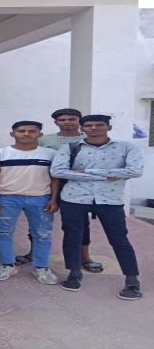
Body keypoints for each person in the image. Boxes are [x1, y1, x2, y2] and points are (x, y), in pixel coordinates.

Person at [50, 114, 143, 300]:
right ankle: (74, 273)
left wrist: (85, 171)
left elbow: (135, 171)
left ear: (108, 127)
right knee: (72, 237)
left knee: (119, 239)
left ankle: (132, 280)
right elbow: (58, 171)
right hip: (74, 198)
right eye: (89, 125)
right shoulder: (70, 148)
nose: (94, 128)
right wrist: (112, 174)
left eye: (99, 125)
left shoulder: (127, 147)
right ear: (82, 128)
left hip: (110, 199)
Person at [0, 121, 59, 285]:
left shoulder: (51, 154)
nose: (26, 134)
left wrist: (53, 199)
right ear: (12, 134)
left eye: (32, 131)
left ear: (40, 134)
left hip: (40, 198)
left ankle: (41, 267)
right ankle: (7, 265)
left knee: (42, 234)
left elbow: (55, 179)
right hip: (6, 198)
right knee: (3, 233)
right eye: (21, 131)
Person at [25, 108, 98, 271]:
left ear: (79, 121)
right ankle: (33, 252)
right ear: (56, 122)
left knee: (80, 221)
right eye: (62, 120)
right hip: (46, 182)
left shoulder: (89, 138)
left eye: (71, 119)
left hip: (79, 185)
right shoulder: (44, 140)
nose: (67, 122)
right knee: (38, 218)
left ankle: (84, 256)